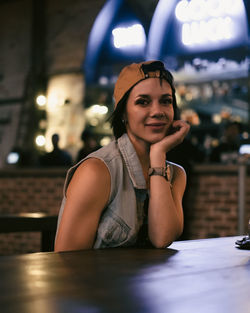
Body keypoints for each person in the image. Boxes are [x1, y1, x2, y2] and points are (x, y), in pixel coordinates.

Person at [54, 60, 190, 251]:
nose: (158, 111)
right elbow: (65, 261)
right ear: (123, 113)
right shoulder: (97, 171)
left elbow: (162, 238)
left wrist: (158, 153)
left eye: (166, 101)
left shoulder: (176, 174)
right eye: (143, 102)